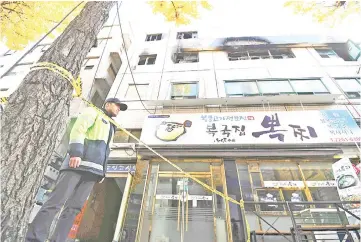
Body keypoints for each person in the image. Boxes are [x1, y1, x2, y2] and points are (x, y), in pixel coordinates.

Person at [25, 98, 127, 242]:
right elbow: (78, 129)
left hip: (93, 172)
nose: (119, 109)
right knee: (56, 202)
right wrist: (76, 153)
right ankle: (34, 238)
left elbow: (105, 151)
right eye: (117, 106)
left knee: (74, 209)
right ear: (107, 104)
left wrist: (103, 172)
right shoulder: (93, 112)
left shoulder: (111, 125)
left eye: (120, 108)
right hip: (76, 165)